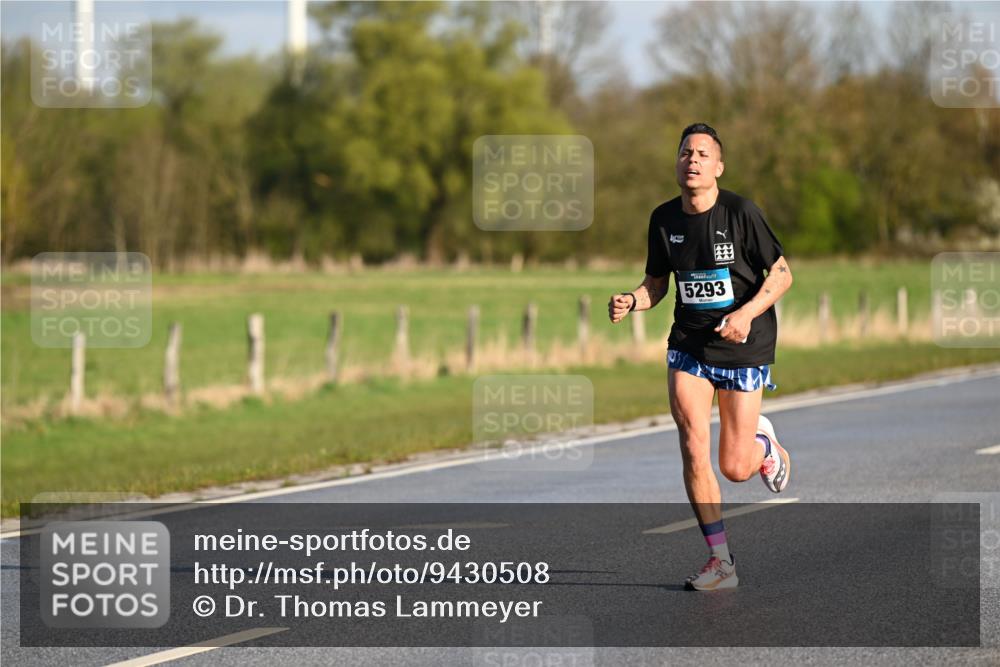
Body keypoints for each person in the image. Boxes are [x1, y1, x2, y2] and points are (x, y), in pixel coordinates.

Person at [608, 123, 793, 591]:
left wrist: (747, 314)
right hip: (688, 345)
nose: (693, 160)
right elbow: (655, 285)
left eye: (703, 154)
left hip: (742, 345)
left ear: (718, 167)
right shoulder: (664, 219)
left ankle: (763, 447)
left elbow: (783, 274)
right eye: (686, 152)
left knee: (734, 466)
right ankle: (721, 562)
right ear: (676, 163)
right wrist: (632, 300)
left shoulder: (740, 213)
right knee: (692, 444)